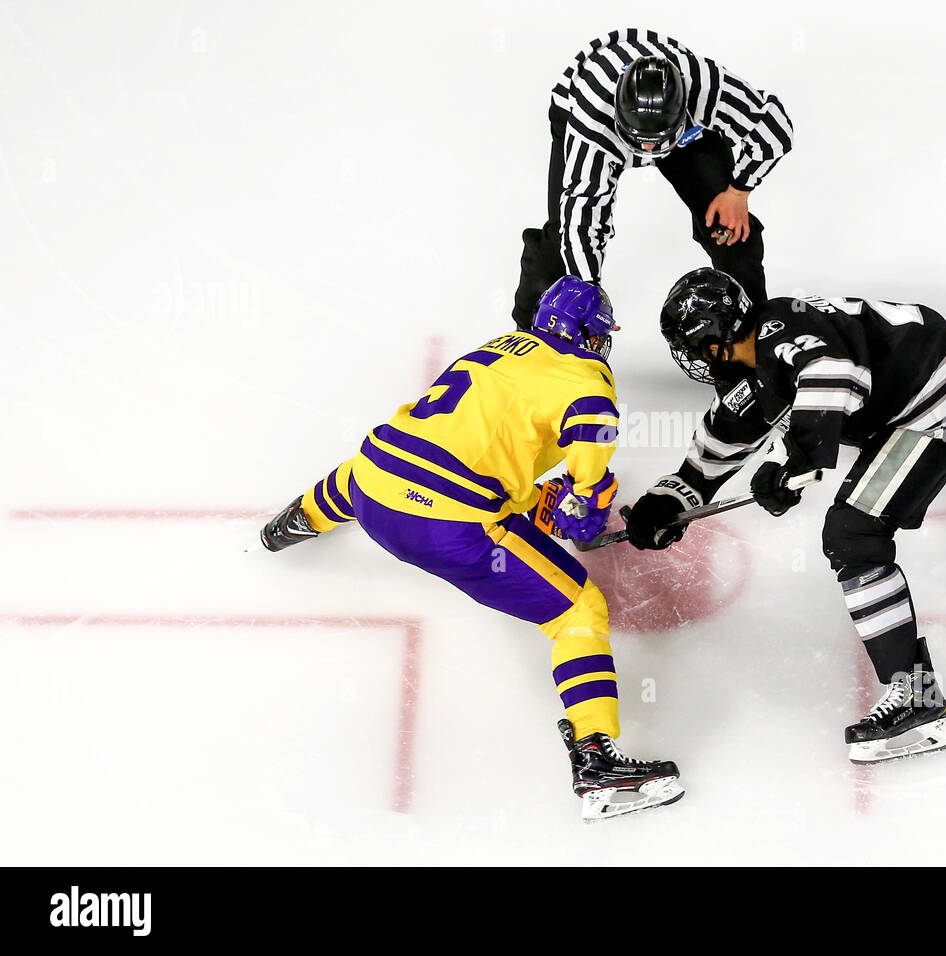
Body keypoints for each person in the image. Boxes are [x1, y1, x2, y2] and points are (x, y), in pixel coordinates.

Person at [260, 276, 684, 820]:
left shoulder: (497, 347)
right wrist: (584, 509)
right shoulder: (587, 378)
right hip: (447, 526)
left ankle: (294, 523)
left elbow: (459, 445)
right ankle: (597, 764)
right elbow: (586, 486)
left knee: (379, 466)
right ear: (591, 334)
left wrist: (537, 502)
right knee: (579, 609)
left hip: (368, 488)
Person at [624, 268, 946, 763]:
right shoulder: (750, 365)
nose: (688, 359)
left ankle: (917, 697)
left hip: (940, 400)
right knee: (851, 533)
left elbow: (833, 375)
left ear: (711, 340)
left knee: (853, 533)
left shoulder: (783, 330)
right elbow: (722, 442)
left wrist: (794, 464)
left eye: (689, 346)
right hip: (907, 403)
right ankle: (916, 693)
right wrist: (672, 500)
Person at [511, 28, 793, 329]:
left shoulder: (704, 87)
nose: (648, 151)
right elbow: (583, 221)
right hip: (586, 111)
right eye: (641, 143)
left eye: (656, 143)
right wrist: (587, 298)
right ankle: (531, 333)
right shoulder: (593, 127)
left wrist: (738, 192)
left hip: (685, 135)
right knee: (562, 236)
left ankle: (751, 338)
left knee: (729, 227)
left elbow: (774, 128)